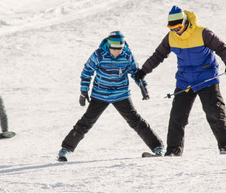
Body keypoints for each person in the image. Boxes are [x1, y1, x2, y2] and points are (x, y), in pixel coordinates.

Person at [135, 6, 226, 156]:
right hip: (185, 81)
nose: (176, 30)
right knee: (177, 116)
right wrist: (143, 70)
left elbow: (221, 47)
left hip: (206, 78)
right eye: (172, 28)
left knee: (215, 112)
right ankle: (173, 151)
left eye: (178, 27)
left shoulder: (202, 32)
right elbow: (158, 55)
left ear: (185, 22)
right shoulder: (171, 37)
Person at [57, 31, 164, 162]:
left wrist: (143, 86)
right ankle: (65, 149)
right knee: (86, 122)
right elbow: (87, 71)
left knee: (135, 120)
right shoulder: (99, 54)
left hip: (121, 94)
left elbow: (135, 72)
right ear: (109, 45)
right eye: (113, 49)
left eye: (119, 49)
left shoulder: (127, 55)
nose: (116, 52)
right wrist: (84, 91)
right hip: (100, 94)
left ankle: (158, 147)